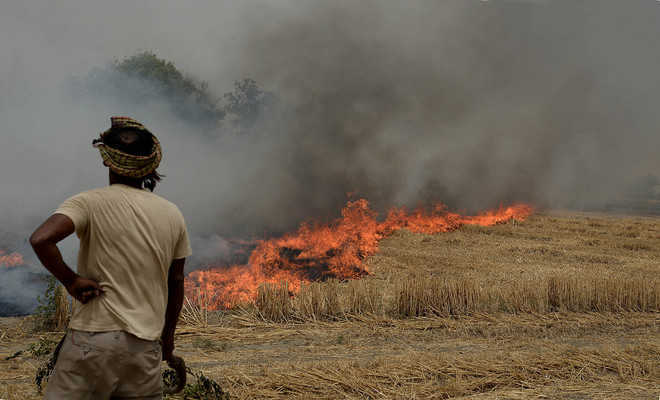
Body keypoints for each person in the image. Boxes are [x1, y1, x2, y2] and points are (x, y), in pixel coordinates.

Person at [30, 116, 192, 399]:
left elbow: (42, 239)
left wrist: (71, 281)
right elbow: (176, 281)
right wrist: (167, 342)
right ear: (150, 164)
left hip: (93, 342)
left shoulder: (88, 202)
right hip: (144, 350)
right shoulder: (172, 213)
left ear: (106, 159)